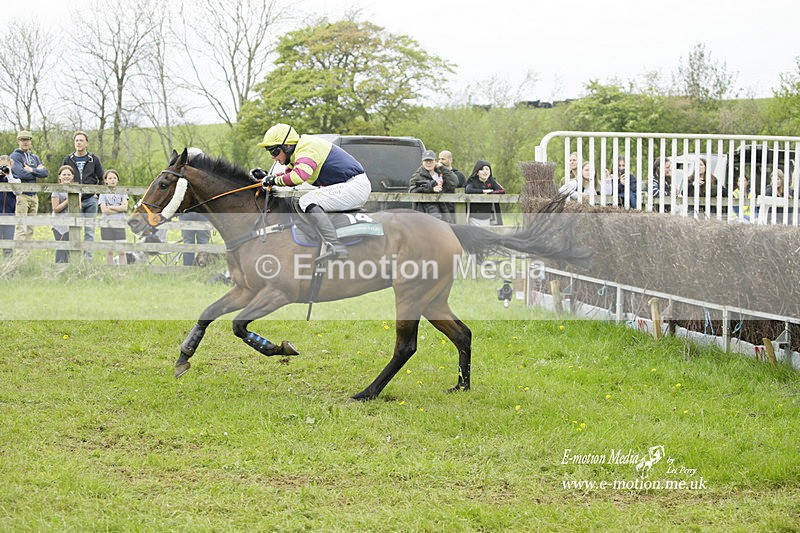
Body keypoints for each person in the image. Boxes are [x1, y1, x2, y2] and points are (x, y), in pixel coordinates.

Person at [251, 123, 371, 261]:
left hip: (355, 186)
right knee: (306, 200)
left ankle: (336, 245)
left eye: (274, 152)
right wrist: (266, 177)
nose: (273, 157)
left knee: (307, 200)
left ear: (287, 146)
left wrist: (273, 180)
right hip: (349, 185)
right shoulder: (298, 153)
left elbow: (298, 177)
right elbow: (288, 174)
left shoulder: (306, 148)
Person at [63, 131, 105, 259]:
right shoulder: (68, 159)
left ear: (86, 143)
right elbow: (63, 177)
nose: (79, 143)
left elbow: (102, 178)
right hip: (74, 200)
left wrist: (96, 194)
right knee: (74, 228)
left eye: (81, 140)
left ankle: (88, 259)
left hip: (90, 199)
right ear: (74, 143)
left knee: (89, 231)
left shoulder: (93, 159)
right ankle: (74, 258)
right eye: (77, 140)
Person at [10, 130, 49, 249]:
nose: (25, 142)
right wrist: (37, 171)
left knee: (30, 229)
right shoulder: (15, 156)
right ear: (18, 141)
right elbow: (21, 173)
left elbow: (45, 173)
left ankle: (25, 257)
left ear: (30, 141)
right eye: (22, 140)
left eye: (27, 140)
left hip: (34, 196)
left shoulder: (34, 157)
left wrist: (31, 170)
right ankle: (19, 259)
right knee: (21, 228)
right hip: (22, 196)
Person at [408, 149, 458, 223]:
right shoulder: (417, 176)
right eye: (426, 161)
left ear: (435, 161)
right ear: (422, 162)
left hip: (443, 210)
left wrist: (442, 168)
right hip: (423, 212)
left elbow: (454, 182)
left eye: (431, 161)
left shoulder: (441, 172)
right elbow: (412, 190)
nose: (428, 163)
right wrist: (431, 189)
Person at [98, 169, 128, 265]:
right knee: (109, 251)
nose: (112, 180)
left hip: (119, 224)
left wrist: (110, 207)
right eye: (110, 178)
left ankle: (123, 271)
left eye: (114, 178)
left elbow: (125, 207)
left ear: (117, 180)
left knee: (122, 251)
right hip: (106, 224)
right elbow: (104, 210)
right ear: (106, 180)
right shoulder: (103, 193)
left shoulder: (122, 192)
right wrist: (118, 208)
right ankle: (110, 270)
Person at [465, 159, 505, 226]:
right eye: (482, 169)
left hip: (489, 217)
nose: (485, 171)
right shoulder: (472, 181)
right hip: (474, 218)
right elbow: (468, 190)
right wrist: (483, 191)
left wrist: (491, 193)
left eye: (487, 169)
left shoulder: (492, 181)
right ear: (477, 172)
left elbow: (502, 190)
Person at [51, 165, 76, 263]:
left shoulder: (75, 189)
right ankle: (59, 268)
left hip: (71, 223)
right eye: (64, 174)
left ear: (72, 176)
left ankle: (68, 269)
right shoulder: (56, 190)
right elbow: (56, 209)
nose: (66, 176)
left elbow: (78, 206)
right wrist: (68, 200)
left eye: (69, 174)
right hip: (59, 224)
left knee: (70, 249)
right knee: (61, 247)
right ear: (59, 177)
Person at [0, 154, 18, 257]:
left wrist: (9, 175)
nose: (4, 168)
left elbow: (18, 192)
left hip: (9, 214)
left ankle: (8, 267)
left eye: (6, 166)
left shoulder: (14, 178)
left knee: (8, 245)